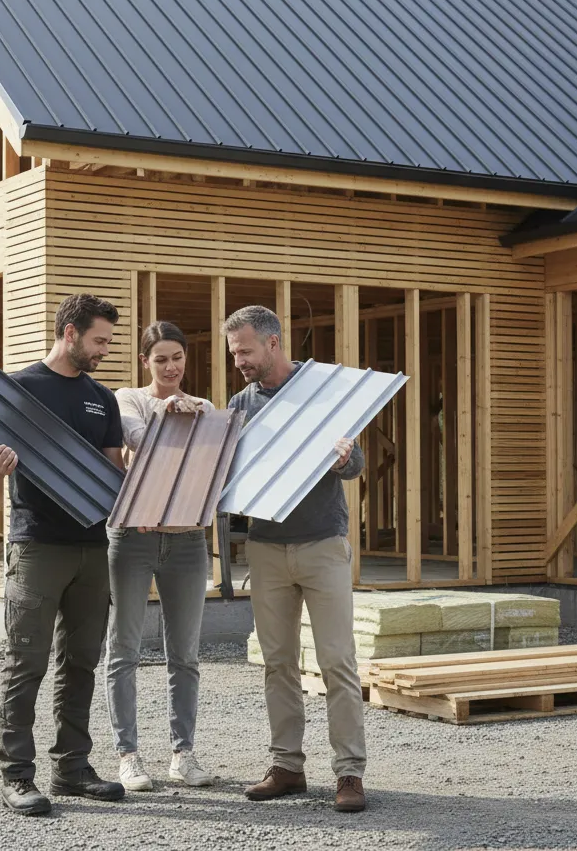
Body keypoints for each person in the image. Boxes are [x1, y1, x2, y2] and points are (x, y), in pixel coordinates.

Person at [0, 293, 126, 817]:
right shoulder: (17, 389)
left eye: (107, 341)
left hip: (92, 546)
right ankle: (17, 775)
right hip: (37, 544)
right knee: (27, 662)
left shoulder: (101, 399)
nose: (104, 350)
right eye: (99, 340)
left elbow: (112, 475)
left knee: (81, 660)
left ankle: (72, 766)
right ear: (69, 333)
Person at [223, 305, 368, 813]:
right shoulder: (240, 403)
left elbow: (357, 465)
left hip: (323, 545)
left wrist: (347, 456)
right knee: (277, 663)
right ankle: (287, 766)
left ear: (273, 342)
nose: (238, 360)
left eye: (245, 350)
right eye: (233, 352)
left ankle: (349, 773)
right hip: (265, 549)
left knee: (337, 662)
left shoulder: (321, 392)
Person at [107, 321, 215, 793]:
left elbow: (216, 461)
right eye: (160, 359)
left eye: (177, 357)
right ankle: (128, 756)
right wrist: (168, 414)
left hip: (188, 541)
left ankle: (183, 754)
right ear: (144, 362)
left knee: (185, 655)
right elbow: (133, 438)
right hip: (133, 537)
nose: (170, 367)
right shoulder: (128, 399)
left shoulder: (205, 407)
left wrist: (197, 418)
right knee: (124, 650)